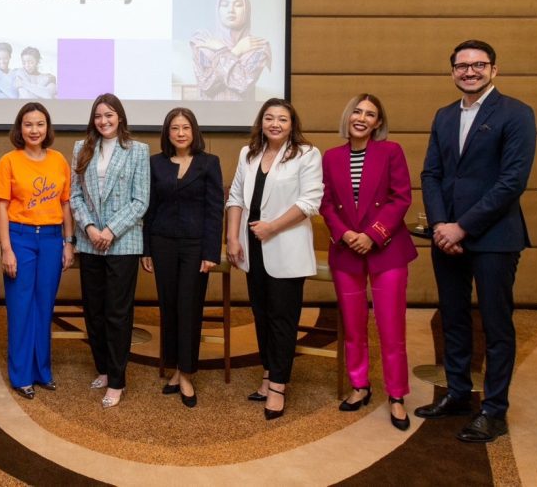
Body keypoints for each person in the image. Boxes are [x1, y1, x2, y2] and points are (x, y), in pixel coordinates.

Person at [415, 40, 537, 443]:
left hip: (494, 238)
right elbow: (431, 174)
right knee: (453, 318)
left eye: (478, 65)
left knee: (496, 325)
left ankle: (494, 410)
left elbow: (511, 182)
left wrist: (462, 227)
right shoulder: (444, 115)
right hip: (445, 237)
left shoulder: (517, 113)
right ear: (453, 71)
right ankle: (457, 393)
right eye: (462, 66)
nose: (470, 71)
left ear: (493, 70)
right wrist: (440, 225)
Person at [319, 94, 416, 431]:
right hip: (347, 250)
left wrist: (373, 235)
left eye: (370, 114)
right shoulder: (331, 157)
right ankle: (360, 384)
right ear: (348, 117)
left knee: (391, 327)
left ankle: (396, 394)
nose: (361, 118)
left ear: (378, 123)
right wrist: (346, 234)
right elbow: (326, 203)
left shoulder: (391, 151)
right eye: (357, 111)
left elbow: (401, 198)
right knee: (353, 325)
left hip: (387, 250)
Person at [225, 98, 322, 420]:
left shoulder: (306, 154)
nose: (275, 124)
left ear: (292, 125)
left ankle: (278, 385)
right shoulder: (248, 153)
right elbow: (235, 197)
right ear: (261, 122)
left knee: (283, 319)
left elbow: (310, 202)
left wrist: (272, 227)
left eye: (282, 119)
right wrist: (232, 237)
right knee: (262, 315)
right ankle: (268, 373)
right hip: (252, 248)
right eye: (269, 118)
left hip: (285, 245)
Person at [70, 93, 150, 409]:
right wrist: (90, 228)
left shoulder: (137, 150)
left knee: (118, 313)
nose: (104, 121)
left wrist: (110, 230)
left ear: (120, 117)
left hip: (123, 242)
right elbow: (75, 196)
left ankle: (117, 380)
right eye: (99, 116)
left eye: (109, 115)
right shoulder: (81, 148)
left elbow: (140, 200)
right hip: (90, 241)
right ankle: (103, 368)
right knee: (94, 310)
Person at [0, 103, 74, 399]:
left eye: (40, 124)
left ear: (47, 128)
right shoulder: (9, 161)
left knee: (44, 306)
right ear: (20, 128)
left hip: (52, 239)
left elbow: (65, 203)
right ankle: (21, 374)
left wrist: (68, 242)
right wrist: (7, 249)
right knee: (20, 307)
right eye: (28, 124)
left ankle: (42, 371)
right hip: (20, 238)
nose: (34, 130)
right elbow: (0, 208)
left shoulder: (59, 160)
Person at [141, 108, 223, 408]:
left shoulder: (209, 163)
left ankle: (186, 373)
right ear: (167, 133)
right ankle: (175, 367)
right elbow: (149, 209)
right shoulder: (155, 163)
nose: (180, 133)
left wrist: (211, 252)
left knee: (189, 308)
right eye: (174, 128)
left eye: (185, 127)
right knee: (169, 307)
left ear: (194, 131)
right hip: (162, 243)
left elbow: (215, 210)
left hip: (195, 246)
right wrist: (146, 249)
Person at [190, 0, 272, 101]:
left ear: (247, 10)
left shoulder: (257, 45)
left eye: (238, 5)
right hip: (206, 112)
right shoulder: (204, 40)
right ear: (218, 9)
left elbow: (243, 84)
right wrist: (233, 51)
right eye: (224, 5)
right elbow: (206, 84)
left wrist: (221, 52)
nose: (231, 10)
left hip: (244, 112)